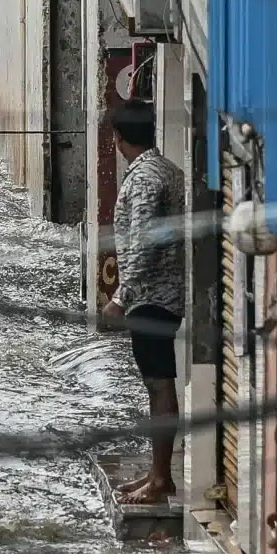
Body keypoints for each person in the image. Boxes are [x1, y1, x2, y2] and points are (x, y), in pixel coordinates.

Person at [105, 104, 186, 504]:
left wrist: (121, 298)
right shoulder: (166, 169)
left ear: (118, 138)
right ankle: (157, 473)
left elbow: (142, 243)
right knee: (158, 385)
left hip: (152, 295)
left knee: (158, 385)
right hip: (164, 292)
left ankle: (160, 479)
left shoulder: (143, 179)